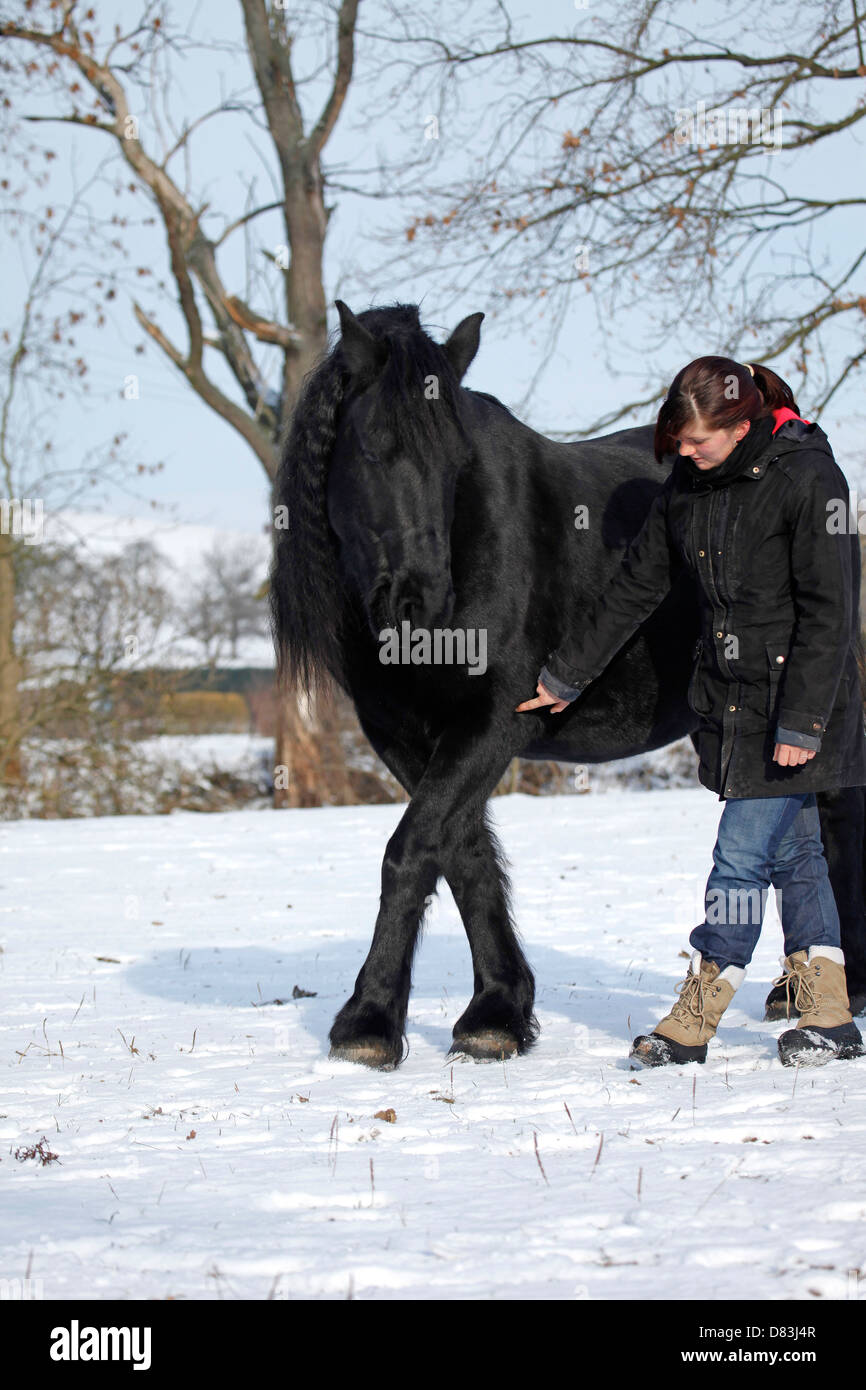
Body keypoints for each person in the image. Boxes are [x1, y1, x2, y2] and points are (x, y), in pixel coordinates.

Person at [516, 357, 866, 1068]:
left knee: (738, 859)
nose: (683, 452)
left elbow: (831, 614)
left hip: (801, 705)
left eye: (697, 441)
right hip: (731, 705)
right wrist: (566, 675)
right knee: (797, 855)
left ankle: (698, 1012)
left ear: (742, 427)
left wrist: (802, 724)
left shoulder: (809, 479)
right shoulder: (688, 486)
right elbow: (634, 586)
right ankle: (828, 1012)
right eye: (676, 440)